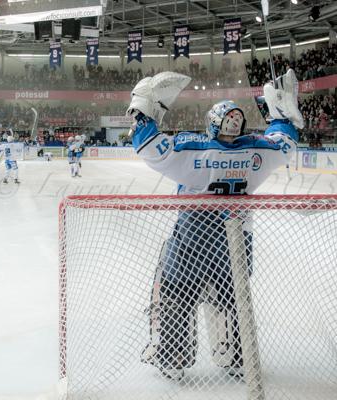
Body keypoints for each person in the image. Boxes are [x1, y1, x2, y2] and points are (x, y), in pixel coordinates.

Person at [127, 70, 303, 380]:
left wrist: (144, 109)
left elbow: (150, 147)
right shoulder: (257, 153)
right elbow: (285, 141)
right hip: (236, 236)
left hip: (193, 234)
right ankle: (236, 355)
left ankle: (172, 354)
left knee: (175, 289)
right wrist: (280, 116)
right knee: (232, 294)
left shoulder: (195, 150)